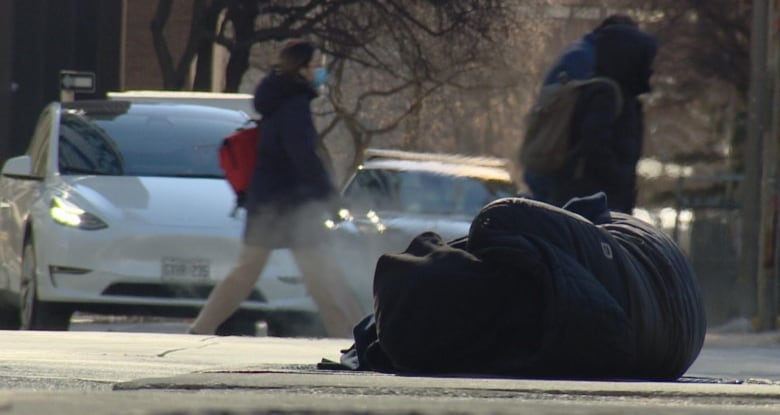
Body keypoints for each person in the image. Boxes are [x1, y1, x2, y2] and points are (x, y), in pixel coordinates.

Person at [189, 39, 364, 338]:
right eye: (316, 65)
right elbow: (304, 158)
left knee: (247, 273)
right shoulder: (294, 105)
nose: (321, 71)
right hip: (290, 206)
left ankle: (201, 328)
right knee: (323, 278)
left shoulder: (278, 101)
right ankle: (356, 340)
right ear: (300, 69)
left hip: (267, 203)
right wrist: (332, 200)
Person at [523, 14, 637, 202]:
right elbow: (576, 128)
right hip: (557, 174)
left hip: (549, 168)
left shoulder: (580, 55)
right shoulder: (588, 63)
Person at [545, 24, 658, 213]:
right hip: (594, 203)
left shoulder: (615, 92)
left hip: (599, 200)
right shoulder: (606, 93)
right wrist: (617, 179)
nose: (649, 69)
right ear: (628, 59)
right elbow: (595, 144)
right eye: (644, 60)